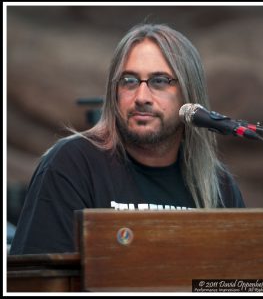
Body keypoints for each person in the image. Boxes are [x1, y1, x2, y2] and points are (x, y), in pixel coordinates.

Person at [10, 23, 245, 255]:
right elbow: (40, 280)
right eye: (130, 81)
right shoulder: (72, 164)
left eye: (160, 81)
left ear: (189, 94)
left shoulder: (219, 186)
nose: (141, 96)